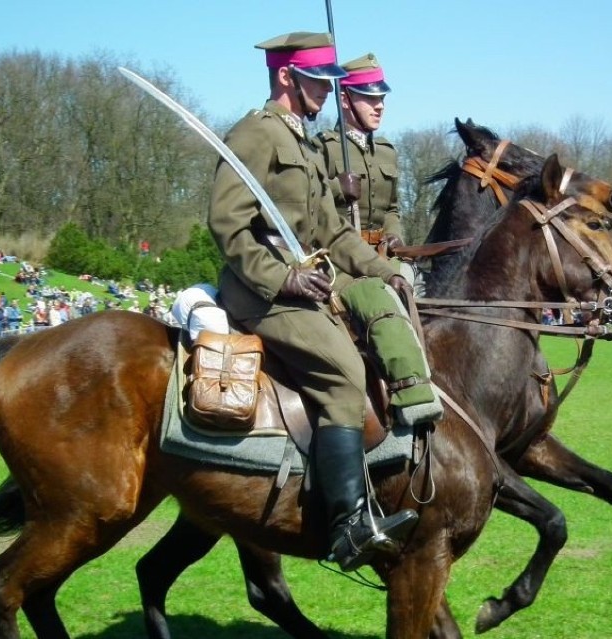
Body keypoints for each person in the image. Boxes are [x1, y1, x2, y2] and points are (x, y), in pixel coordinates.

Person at [208, 31, 419, 571]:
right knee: (344, 372)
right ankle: (348, 523)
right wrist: (280, 280)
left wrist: (384, 271)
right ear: (286, 77)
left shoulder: (303, 141)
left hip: (311, 277)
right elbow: (227, 223)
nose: (326, 93)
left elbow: (332, 229)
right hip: (261, 290)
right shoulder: (255, 134)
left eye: (329, 83)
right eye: (316, 82)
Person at [314, 53, 403, 254]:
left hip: (383, 255)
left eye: (381, 98)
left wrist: (394, 234)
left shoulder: (386, 152)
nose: (380, 106)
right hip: (340, 256)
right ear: (345, 100)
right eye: (371, 98)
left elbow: (391, 209)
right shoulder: (323, 146)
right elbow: (309, 200)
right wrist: (338, 187)